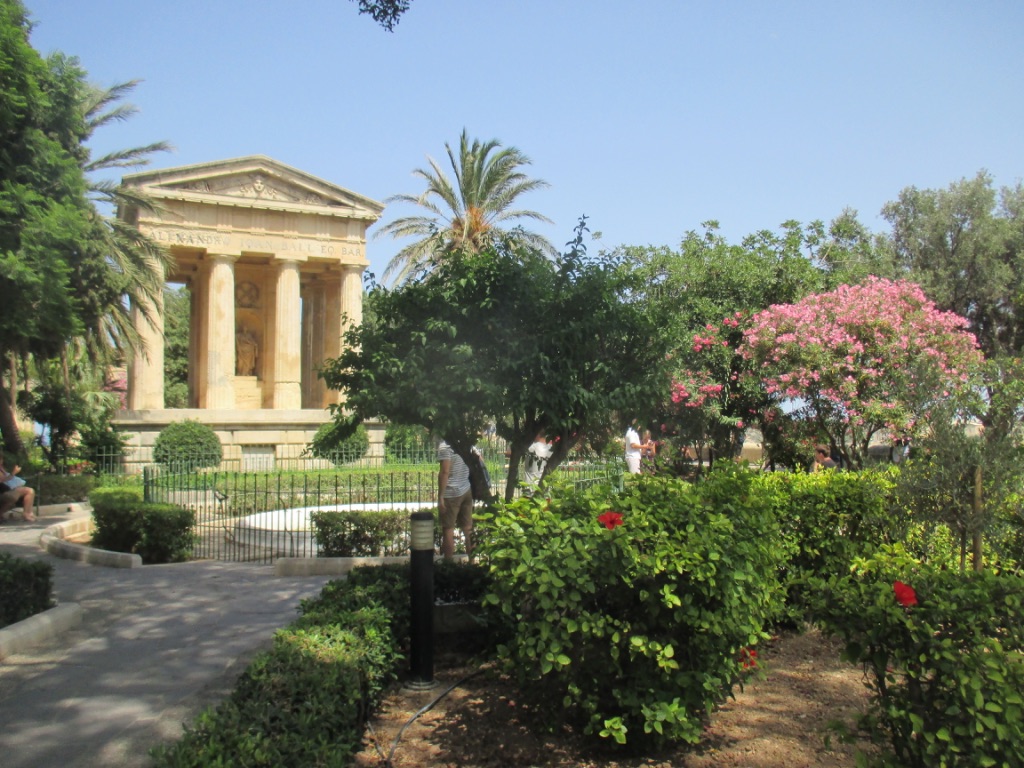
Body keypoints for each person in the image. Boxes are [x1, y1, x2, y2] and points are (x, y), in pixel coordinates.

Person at [437, 440, 475, 560]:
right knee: (468, 528)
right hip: (466, 489)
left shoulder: (445, 446)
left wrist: (441, 496)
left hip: (451, 493)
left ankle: (448, 565)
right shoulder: (465, 442)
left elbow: (445, 472)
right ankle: (472, 563)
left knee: (448, 529)